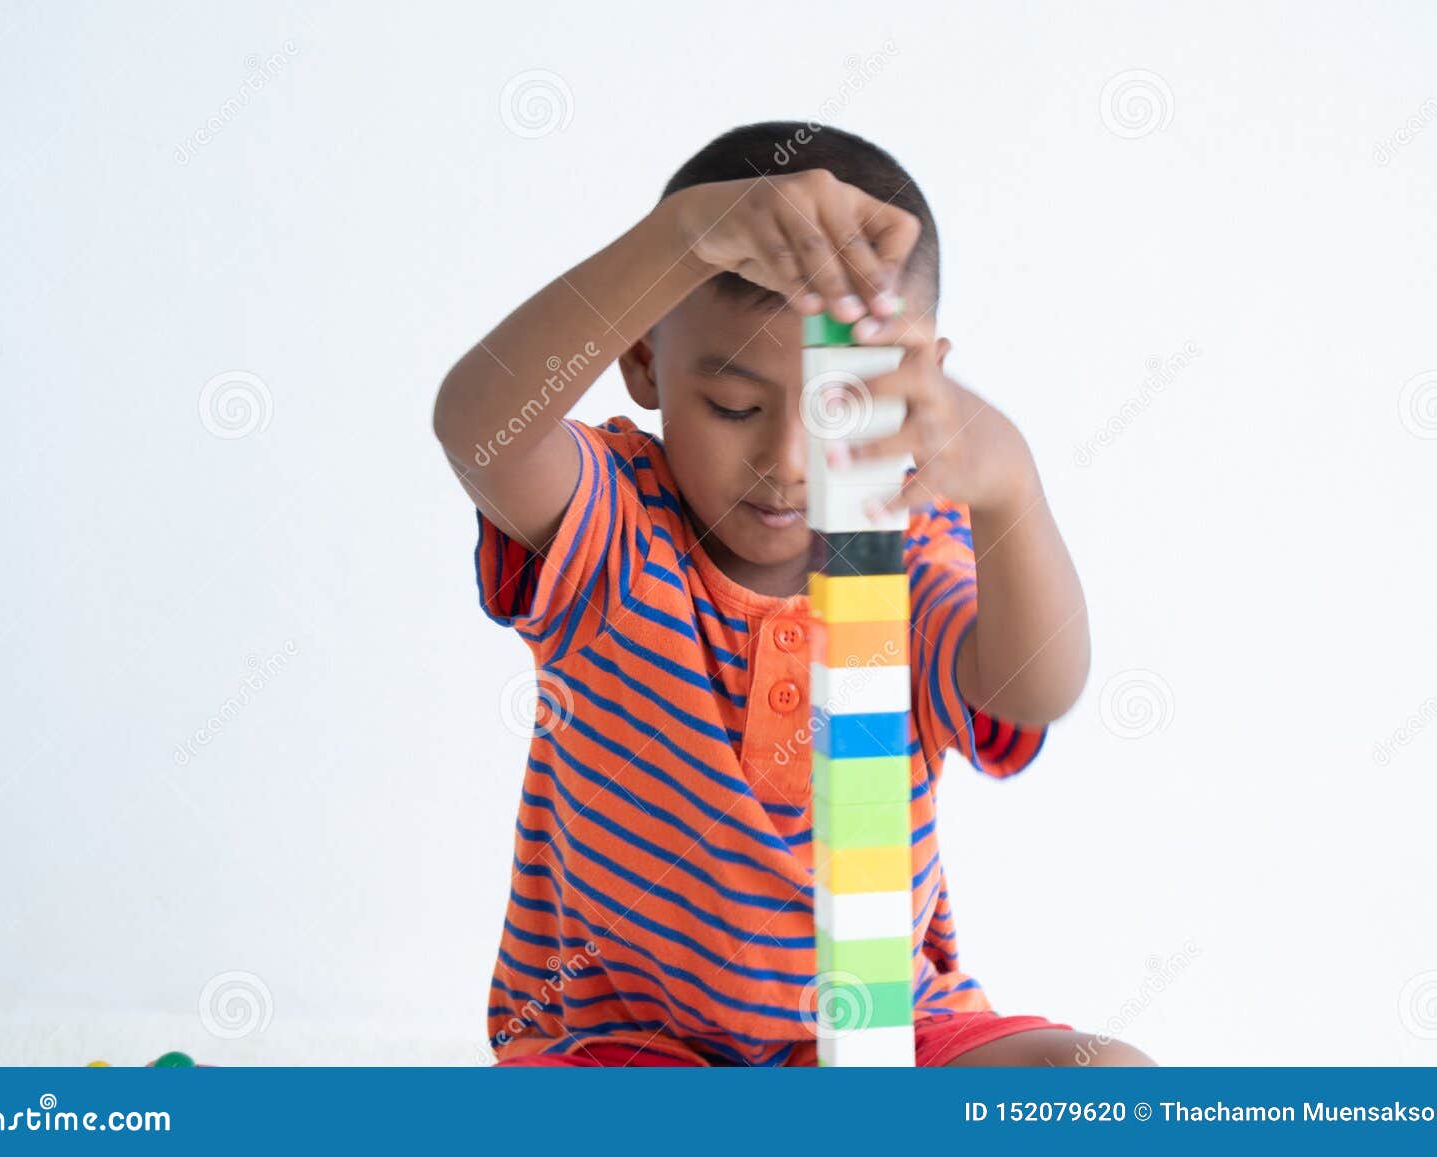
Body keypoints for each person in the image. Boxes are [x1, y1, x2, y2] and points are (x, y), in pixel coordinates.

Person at [433, 121, 1151, 1067]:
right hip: (631, 1050)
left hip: (889, 1036)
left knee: (1107, 1079)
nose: (781, 461)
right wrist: (682, 241)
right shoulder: (612, 526)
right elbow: (480, 428)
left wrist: (1010, 480)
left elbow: (1035, 689)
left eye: (836, 411)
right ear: (646, 363)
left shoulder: (906, 544)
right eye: (733, 407)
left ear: (917, 390)